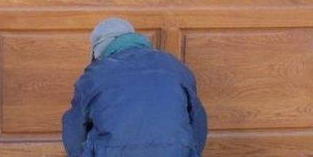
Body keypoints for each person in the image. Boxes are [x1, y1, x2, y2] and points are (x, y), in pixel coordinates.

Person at [62, 18, 208, 157]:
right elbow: (198, 121)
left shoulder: (95, 75)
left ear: (98, 50)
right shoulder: (175, 66)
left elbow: (74, 131)